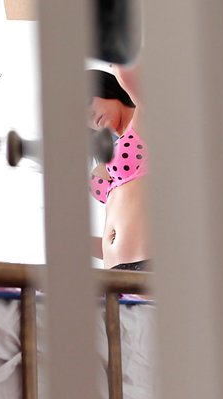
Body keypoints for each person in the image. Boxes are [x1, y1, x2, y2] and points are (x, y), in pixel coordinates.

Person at [87, 66, 150, 271]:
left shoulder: (144, 118)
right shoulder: (107, 155)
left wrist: (114, 57)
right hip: (115, 272)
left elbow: (127, 71)